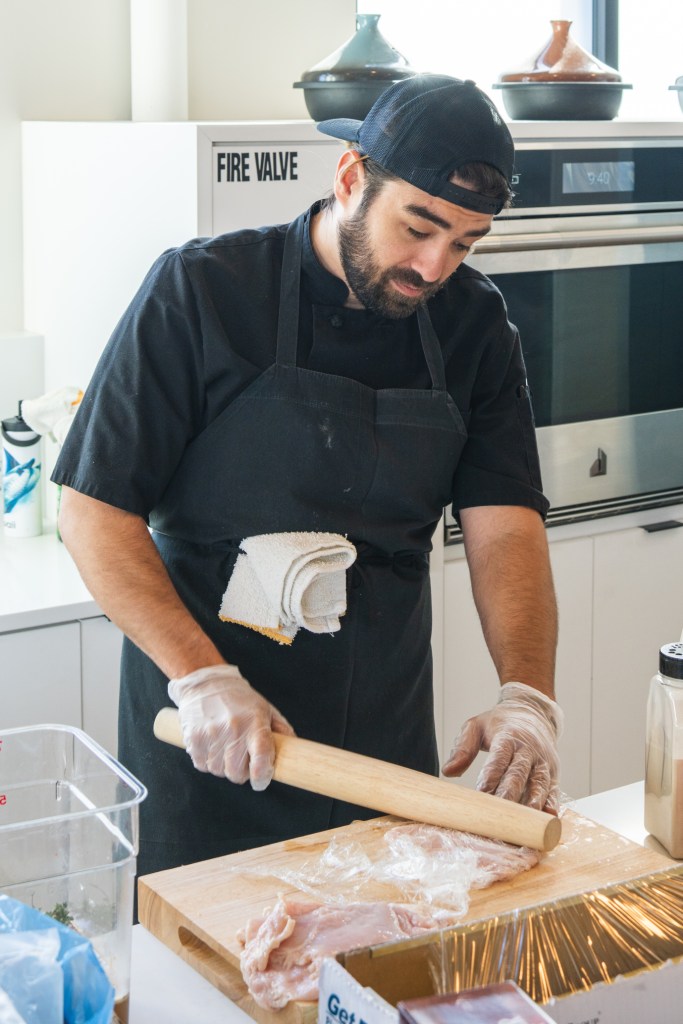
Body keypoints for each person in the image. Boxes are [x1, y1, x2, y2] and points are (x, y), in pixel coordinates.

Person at [53, 75, 561, 883]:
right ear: (352, 177)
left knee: (369, 963)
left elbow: (505, 523)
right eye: (418, 227)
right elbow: (91, 508)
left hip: (381, 738)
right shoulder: (203, 292)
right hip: (213, 732)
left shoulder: (474, 326)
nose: (433, 266)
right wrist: (203, 678)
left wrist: (528, 698)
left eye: (464, 242)